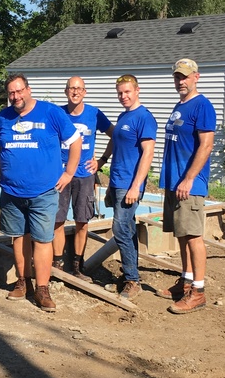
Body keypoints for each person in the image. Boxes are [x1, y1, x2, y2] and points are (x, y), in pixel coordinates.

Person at [0, 74, 81, 312]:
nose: (16, 96)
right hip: (12, 192)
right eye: (11, 93)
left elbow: (75, 142)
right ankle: (23, 281)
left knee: (42, 239)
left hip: (44, 191)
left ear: (28, 90)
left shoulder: (51, 113)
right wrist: (2, 173)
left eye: (19, 91)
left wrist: (69, 173)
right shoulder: (2, 118)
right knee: (19, 237)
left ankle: (42, 289)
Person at [157, 58, 216, 314]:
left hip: (190, 184)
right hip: (175, 181)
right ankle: (186, 280)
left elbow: (206, 145)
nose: (180, 81)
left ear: (196, 77)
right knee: (182, 234)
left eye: (185, 76)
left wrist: (189, 177)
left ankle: (198, 292)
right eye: (177, 77)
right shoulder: (180, 105)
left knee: (193, 236)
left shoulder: (202, 105)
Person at [96, 74, 157, 299]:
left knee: (120, 228)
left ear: (137, 90)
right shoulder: (124, 116)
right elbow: (115, 140)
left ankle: (133, 280)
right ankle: (130, 276)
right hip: (117, 181)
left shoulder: (144, 118)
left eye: (127, 92)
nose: (123, 96)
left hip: (129, 184)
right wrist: (103, 161)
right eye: (120, 93)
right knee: (128, 230)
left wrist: (136, 186)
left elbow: (148, 153)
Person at [53, 76, 114, 279]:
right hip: (61, 174)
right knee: (57, 220)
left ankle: (78, 266)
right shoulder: (58, 113)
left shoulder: (94, 114)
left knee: (82, 220)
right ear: (66, 91)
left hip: (85, 175)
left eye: (79, 88)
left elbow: (115, 135)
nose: (75, 92)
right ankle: (57, 263)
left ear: (85, 92)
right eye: (71, 88)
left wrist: (102, 160)